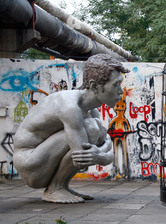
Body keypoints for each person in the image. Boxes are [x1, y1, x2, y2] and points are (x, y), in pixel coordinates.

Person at [13, 54, 129, 203]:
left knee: (95, 128)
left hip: (43, 160)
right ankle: (55, 188)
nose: (120, 91)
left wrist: (99, 155)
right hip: (31, 164)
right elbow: (81, 156)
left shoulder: (90, 109)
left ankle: (62, 186)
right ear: (94, 86)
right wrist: (101, 155)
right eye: (115, 85)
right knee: (92, 128)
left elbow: (105, 142)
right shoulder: (70, 107)